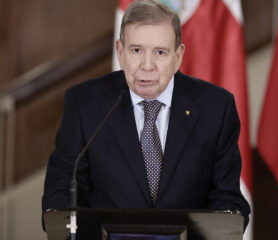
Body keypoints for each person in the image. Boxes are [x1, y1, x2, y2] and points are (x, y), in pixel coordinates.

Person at [42, 0, 250, 229]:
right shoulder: (85, 104)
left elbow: (227, 198)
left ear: (178, 56)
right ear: (120, 52)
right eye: (136, 50)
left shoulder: (215, 107)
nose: (147, 65)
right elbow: (62, 190)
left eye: (160, 52)